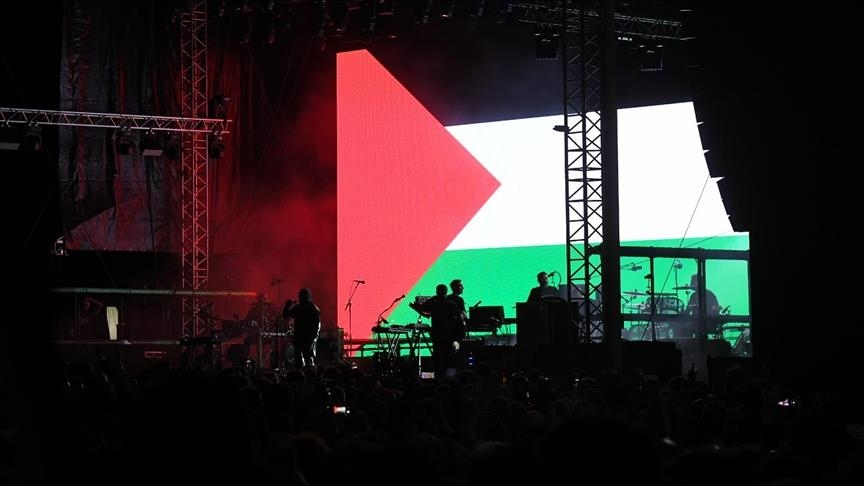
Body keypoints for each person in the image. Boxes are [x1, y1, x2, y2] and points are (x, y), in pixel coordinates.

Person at [410, 283, 463, 378]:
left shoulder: (434, 303)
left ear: (437, 292)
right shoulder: (452, 304)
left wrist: (431, 299)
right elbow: (460, 320)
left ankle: (438, 377)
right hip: (448, 335)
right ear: (446, 292)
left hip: (437, 334)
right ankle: (447, 377)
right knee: (447, 356)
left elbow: (422, 308)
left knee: (438, 357)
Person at [281, 288, 321, 369]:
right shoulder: (303, 308)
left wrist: (313, 339)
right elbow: (285, 315)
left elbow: (317, 325)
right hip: (301, 338)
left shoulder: (311, 309)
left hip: (307, 338)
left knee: (307, 359)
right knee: (301, 360)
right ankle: (305, 373)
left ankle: (307, 373)